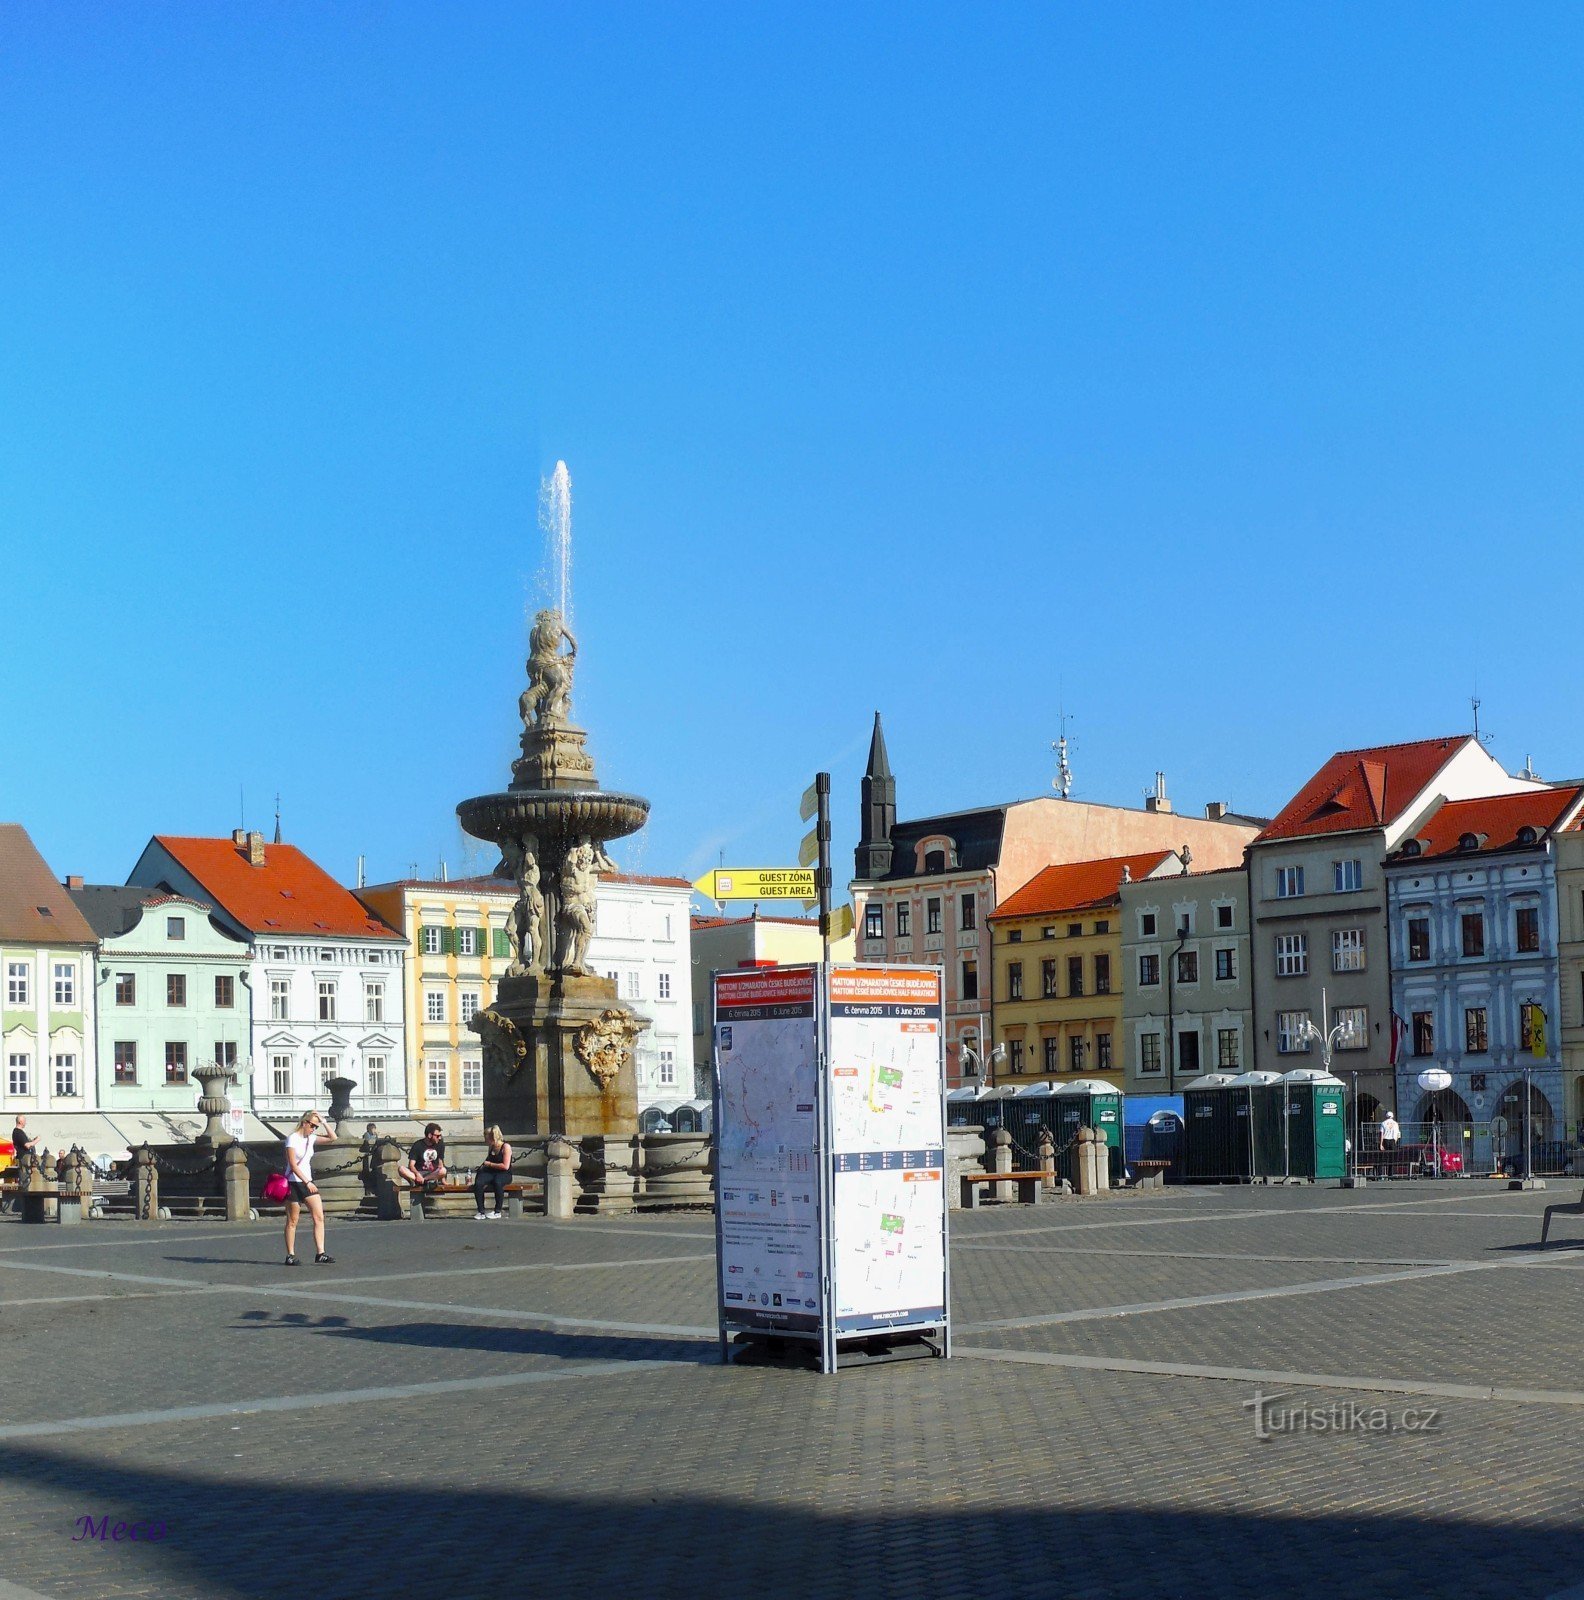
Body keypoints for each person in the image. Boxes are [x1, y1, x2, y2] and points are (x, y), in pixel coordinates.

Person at [283, 1110, 335, 1266]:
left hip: (307, 1182)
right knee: (293, 1220)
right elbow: (292, 1164)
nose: (313, 1129)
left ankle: (321, 1253)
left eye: (316, 1127)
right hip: (294, 1182)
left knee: (319, 1217)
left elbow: (333, 1138)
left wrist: (323, 1121)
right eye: (312, 1125)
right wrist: (306, 1182)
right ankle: (290, 1254)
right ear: (304, 1123)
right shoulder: (292, 1139)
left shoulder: (311, 1139)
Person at [474, 1126, 513, 1219]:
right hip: (492, 1172)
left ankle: (497, 1211)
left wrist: (490, 1164)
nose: (485, 1141)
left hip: (504, 1173)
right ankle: (481, 1211)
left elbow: (505, 1166)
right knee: (479, 1182)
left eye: (486, 1139)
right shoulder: (491, 1147)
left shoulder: (505, 1147)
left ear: (492, 1138)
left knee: (497, 1182)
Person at [398, 1123, 448, 1190]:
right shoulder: (418, 1145)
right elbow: (411, 1165)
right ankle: (417, 1180)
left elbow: (440, 1163)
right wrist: (417, 1174)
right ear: (430, 1135)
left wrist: (443, 1180)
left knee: (443, 1170)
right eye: (437, 1136)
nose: (440, 1138)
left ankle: (423, 1180)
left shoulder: (440, 1144)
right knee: (401, 1169)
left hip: (432, 1174)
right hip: (418, 1172)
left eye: (440, 1135)